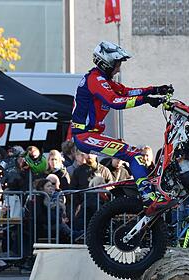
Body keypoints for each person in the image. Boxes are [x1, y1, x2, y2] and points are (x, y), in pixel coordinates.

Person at [70, 41, 173, 215]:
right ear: (106, 63)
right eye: (117, 64)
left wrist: (154, 89)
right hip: (84, 136)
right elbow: (115, 102)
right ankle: (149, 196)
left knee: (134, 154)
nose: (118, 69)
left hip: (90, 135)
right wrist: (146, 100)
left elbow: (126, 92)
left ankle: (147, 193)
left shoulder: (103, 79)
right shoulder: (95, 80)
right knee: (134, 155)